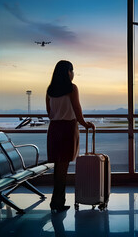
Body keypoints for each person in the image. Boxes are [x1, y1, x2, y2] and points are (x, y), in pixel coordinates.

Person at [46, 60, 94, 213]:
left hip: (54, 129)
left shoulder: (50, 89)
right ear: (68, 72)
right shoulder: (72, 88)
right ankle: (57, 202)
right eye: (72, 71)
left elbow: (49, 113)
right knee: (63, 167)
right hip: (67, 128)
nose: (73, 74)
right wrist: (86, 124)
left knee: (57, 167)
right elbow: (77, 110)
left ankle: (56, 200)